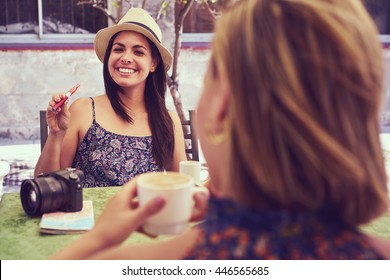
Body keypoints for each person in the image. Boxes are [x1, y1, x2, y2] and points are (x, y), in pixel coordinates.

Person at [52, 0, 390, 259]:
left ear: (221, 106)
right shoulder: (374, 255)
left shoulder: (208, 249)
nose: (126, 58)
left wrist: (101, 238)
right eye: (119, 48)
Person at [34, 8, 187, 187]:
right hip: (90, 215)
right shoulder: (82, 110)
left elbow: (182, 186)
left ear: (153, 63)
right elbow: (46, 185)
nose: (126, 58)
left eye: (138, 52)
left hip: (145, 215)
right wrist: (56, 134)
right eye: (118, 49)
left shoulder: (167, 121)